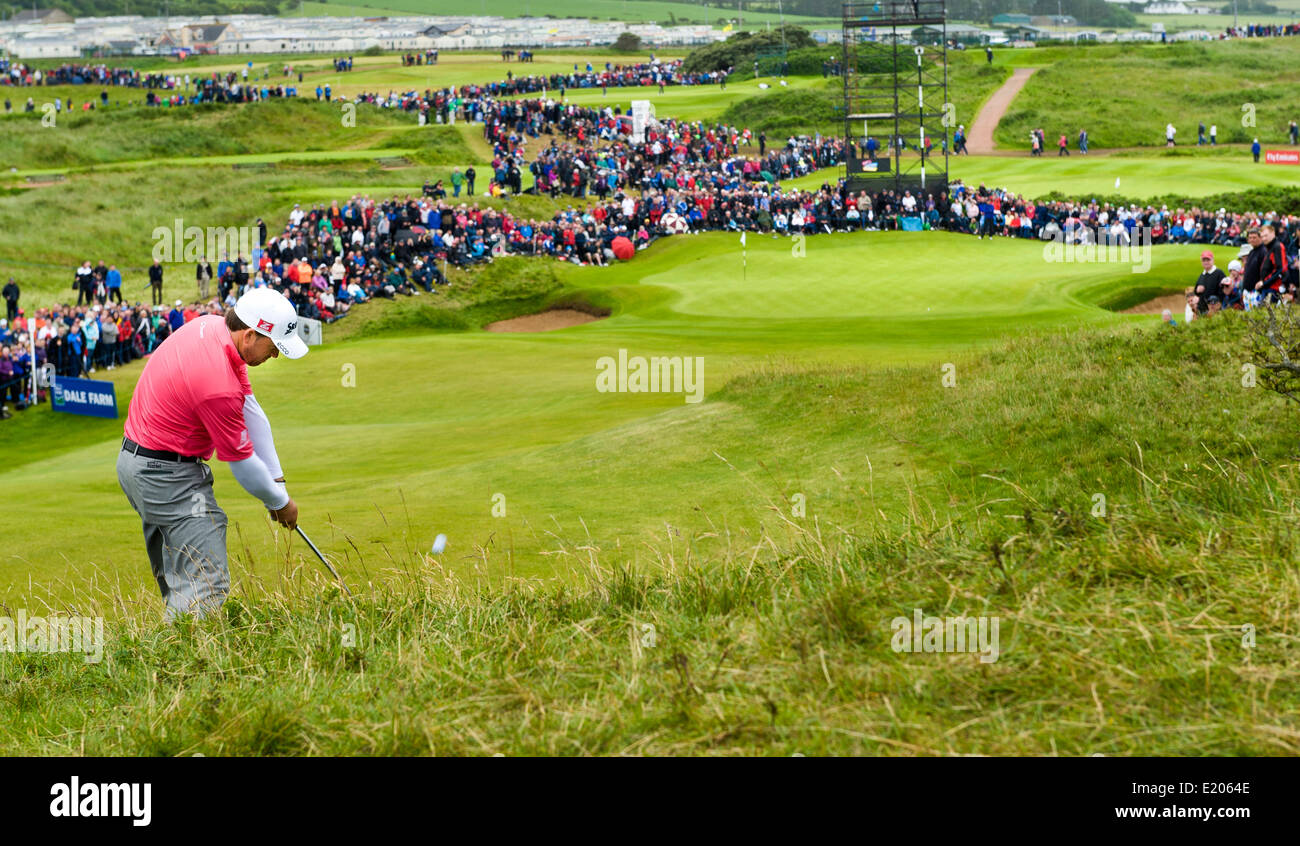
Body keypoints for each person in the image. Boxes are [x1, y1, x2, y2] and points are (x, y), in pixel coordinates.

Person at [116, 288, 308, 620]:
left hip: (138, 464)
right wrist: (280, 504)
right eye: (274, 347)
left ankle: (165, 658)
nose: (275, 356)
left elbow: (251, 411)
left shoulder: (212, 327)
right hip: (165, 475)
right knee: (206, 582)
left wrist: (278, 482)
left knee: (181, 580)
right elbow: (242, 463)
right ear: (250, 335)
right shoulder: (218, 385)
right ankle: (186, 663)